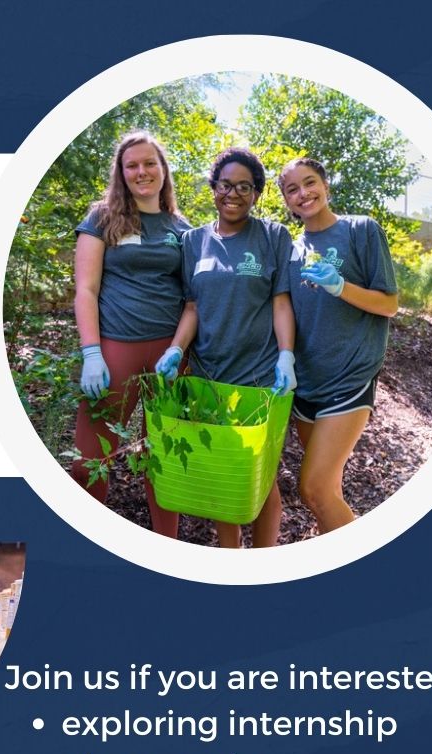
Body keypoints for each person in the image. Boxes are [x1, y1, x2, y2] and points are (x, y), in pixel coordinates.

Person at [156, 148, 296, 549]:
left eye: (244, 187)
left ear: (256, 194)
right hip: (208, 379)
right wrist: (175, 351)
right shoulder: (193, 242)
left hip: (260, 379)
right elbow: (193, 307)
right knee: (224, 478)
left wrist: (287, 354)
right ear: (213, 188)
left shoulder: (272, 236)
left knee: (262, 477)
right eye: (225, 185)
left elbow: (281, 301)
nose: (233, 194)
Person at [73, 130, 191, 538]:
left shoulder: (182, 227)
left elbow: (193, 297)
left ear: (163, 170)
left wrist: (182, 350)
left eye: (149, 163)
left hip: (169, 356)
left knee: (165, 457)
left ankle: (167, 547)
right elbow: (86, 289)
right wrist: (91, 352)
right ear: (121, 174)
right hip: (114, 349)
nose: (142, 171)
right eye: (132, 165)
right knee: (89, 458)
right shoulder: (102, 217)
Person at [278, 157, 399, 532]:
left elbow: (389, 304)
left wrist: (340, 286)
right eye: (292, 189)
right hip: (307, 387)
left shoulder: (361, 230)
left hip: (348, 380)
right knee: (327, 489)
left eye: (310, 183)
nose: (303, 194)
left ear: (327, 186)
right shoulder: (291, 249)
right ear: (285, 200)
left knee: (312, 488)